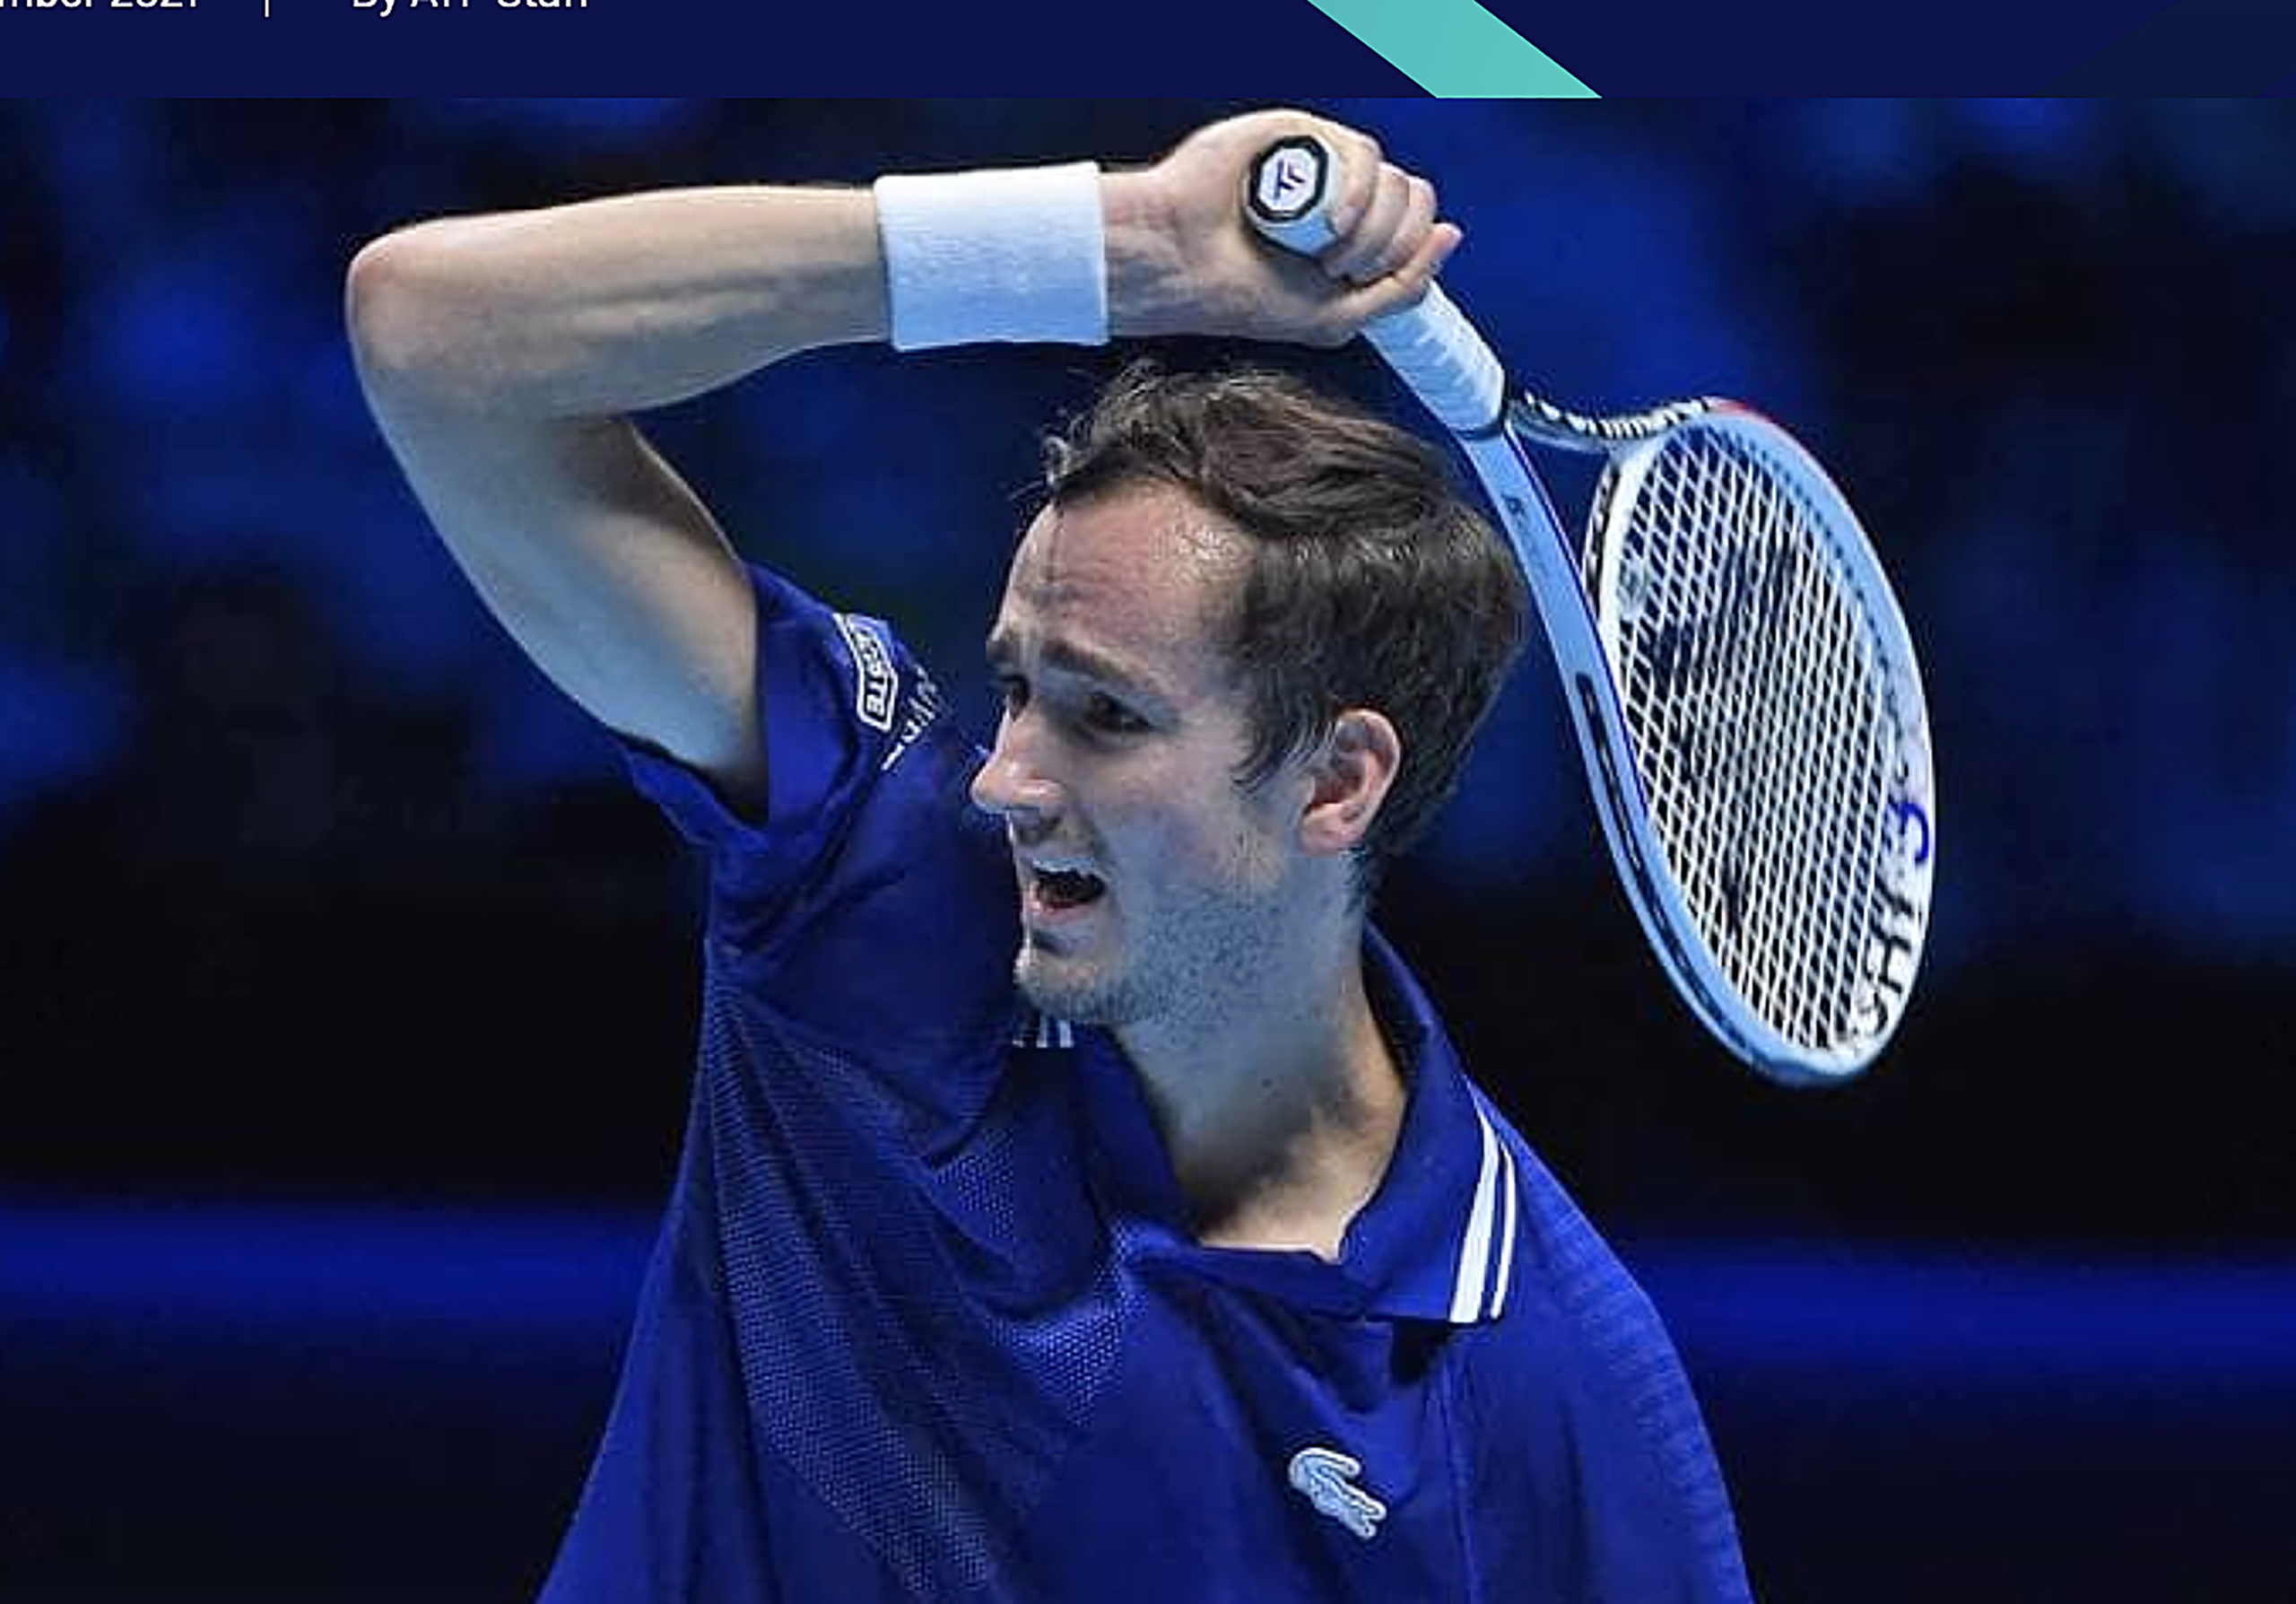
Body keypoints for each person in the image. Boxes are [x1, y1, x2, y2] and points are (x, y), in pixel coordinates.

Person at [346, 107, 1752, 1601]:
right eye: (1016, 685)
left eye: (1107, 716)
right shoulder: (878, 895)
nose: (1006, 778)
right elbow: (436, 334)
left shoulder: (1546, 1378)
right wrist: (1121, 248)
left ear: (1337, 781)